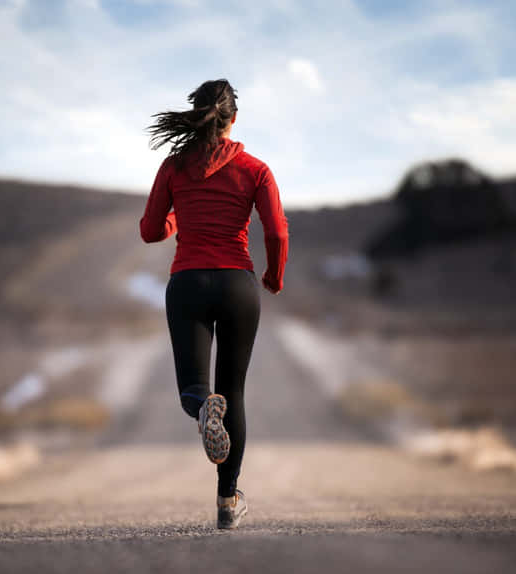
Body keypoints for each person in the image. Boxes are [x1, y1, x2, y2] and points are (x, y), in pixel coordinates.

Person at [140, 79, 289, 530]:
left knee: (196, 389)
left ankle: (204, 409)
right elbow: (277, 231)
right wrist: (273, 276)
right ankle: (228, 501)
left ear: (196, 114)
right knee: (235, 391)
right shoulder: (256, 169)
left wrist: (175, 218)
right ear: (234, 119)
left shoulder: (174, 166)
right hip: (238, 285)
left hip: (187, 282)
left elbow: (150, 231)